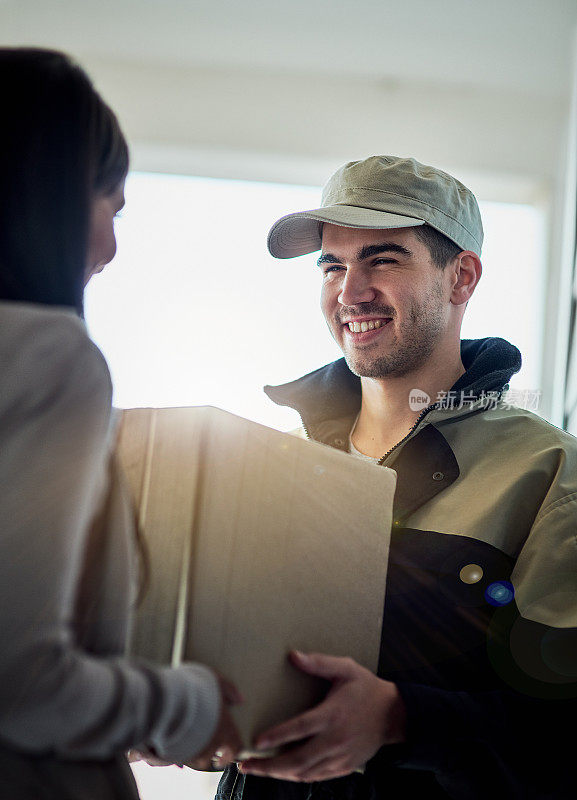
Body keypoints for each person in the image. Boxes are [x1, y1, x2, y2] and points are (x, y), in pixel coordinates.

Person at [217, 156, 577, 799]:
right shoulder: (275, 465)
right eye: (332, 264)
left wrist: (401, 719)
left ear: (461, 277)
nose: (350, 291)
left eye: (383, 259)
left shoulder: (548, 475)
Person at [0, 48, 241, 799]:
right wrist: (193, 704)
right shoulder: (46, 354)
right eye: (112, 207)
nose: (109, 248)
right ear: (48, 196)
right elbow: (22, 684)